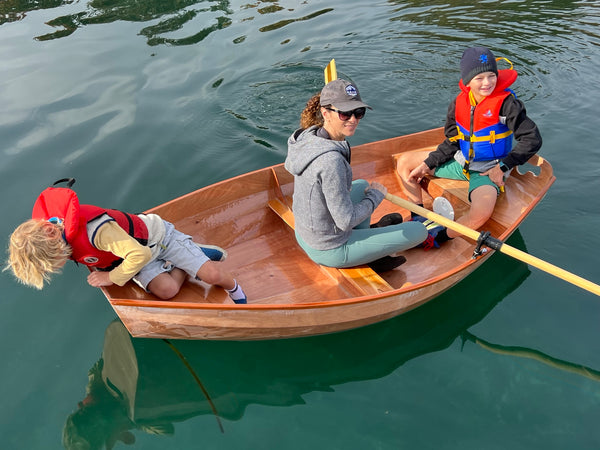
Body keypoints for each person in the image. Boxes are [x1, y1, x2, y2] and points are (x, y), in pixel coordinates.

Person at [4, 179, 247, 304]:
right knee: (167, 291)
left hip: (158, 241)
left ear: (50, 231)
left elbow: (138, 255)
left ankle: (234, 288)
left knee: (213, 276)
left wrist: (110, 277)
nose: (58, 265)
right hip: (132, 254)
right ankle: (183, 264)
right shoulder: (60, 235)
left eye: (53, 260)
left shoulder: (97, 231)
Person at [396, 46, 542, 246]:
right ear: (467, 80)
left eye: (492, 76)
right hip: (460, 161)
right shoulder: (459, 103)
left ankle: (438, 237)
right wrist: (428, 164)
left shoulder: (507, 105)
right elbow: (453, 140)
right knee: (405, 162)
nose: (487, 83)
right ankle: (419, 217)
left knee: (482, 213)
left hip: (487, 170)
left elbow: (532, 139)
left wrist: (503, 168)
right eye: (479, 78)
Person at [284, 78, 428, 272]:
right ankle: (368, 254)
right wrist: (375, 198)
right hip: (329, 247)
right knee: (419, 231)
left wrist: (368, 197)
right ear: (325, 113)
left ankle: (368, 242)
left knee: (360, 186)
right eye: (345, 114)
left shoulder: (307, 136)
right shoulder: (330, 161)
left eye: (359, 112)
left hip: (306, 233)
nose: (353, 119)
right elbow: (345, 221)